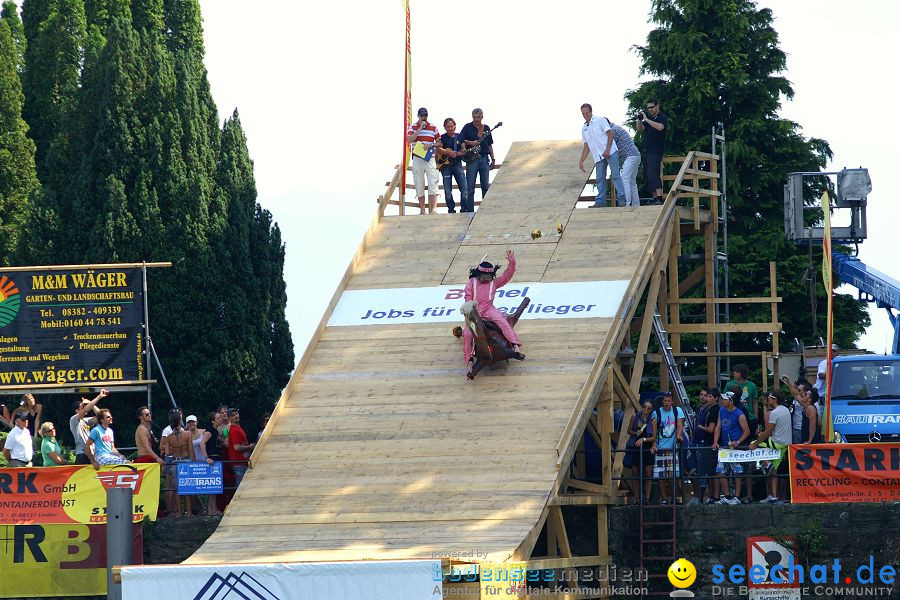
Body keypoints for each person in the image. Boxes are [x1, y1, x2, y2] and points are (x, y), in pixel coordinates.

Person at [461, 250, 524, 374]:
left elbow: (507, 276)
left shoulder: (494, 283)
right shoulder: (471, 283)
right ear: (479, 274)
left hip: (489, 309)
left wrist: (512, 263)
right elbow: (467, 298)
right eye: (484, 277)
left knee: (503, 322)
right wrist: (470, 310)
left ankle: (515, 344)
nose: (486, 279)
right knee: (468, 334)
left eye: (489, 277)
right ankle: (469, 361)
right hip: (474, 313)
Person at [578, 104, 624, 207]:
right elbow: (586, 146)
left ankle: (622, 200)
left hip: (611, 151)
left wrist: (607, 149)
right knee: (600, 178)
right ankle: (600, 202)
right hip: (598, 156)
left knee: (616, 175)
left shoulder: (600, 120)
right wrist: (581, 161)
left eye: (587, 113)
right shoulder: (584, 128)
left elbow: (610, 134)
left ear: (591, 112)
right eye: (583, 113)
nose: (585, 115)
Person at [749, 390, 791, 503]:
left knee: (754, 445)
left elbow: (768, 432)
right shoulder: (786, 410)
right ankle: (773, 496)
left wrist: (755, 443)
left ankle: (766, 463)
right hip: (786, 444)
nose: (768, 400)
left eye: (770, 398)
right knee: (773, 471)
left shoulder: (774, 413)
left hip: (776, 443)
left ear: (774, 399)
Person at [712, 391, 750, 504]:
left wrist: (738, 442)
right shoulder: (722, 410)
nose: (722, 401)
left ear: (731, 401)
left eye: (725, 399)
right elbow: (718, 427)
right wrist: (715, 441)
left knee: (737, 470)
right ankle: (727, 495)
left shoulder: (739, 414)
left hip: (734, 447)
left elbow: (746, 431)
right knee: (720, 470)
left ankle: (737, 497)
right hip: (724, 445)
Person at [406, 107, 442, 215]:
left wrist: (431, 144)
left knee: (433, 181)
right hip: (417, 157)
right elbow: (409, 140)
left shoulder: (433, 127)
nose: (424, 117)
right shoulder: (412, 127)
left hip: (430, 157)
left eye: (425, 115)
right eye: (422, 115)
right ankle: (422, 209)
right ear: (418, 116)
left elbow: (440, 142)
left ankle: (434, 209)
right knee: (419, 182)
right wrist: (420, 129)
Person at [650, 393, 684, 503]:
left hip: (672, 447)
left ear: (672, 402)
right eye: (665, 401)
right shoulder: (656, 413)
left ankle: (675, 497)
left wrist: (679, 435)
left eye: (669, 401)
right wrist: (654, 444)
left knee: (673, 474)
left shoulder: (677, 410)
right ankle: (664, 498)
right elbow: (654, 431)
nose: (667, 403)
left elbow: (680, 424)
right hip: (660, 446)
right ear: (662, 401)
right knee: (661, 475)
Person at [690, 387, 720, 505]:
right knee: (695, 469)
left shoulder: (712, 409)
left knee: (708, 471)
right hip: (696, 441)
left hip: (706, 442)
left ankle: (709, 496)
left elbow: (713, 428)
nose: (704, 397)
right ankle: (700, 497)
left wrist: (702, 428)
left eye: (707, 395)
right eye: (702, 395)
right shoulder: (699, 408)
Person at [162, 412, 195, 517]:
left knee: (177, 488)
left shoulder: (169, 437)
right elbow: (191, 451)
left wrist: (174, 449)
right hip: (186, 461)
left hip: (175, 463)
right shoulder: (187, 434)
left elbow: (167, 453)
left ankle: (179, 513)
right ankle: (189, 512)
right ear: (180, 421)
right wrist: (193, 464)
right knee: (187, 487)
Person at [635, 98, 668, 205]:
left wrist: (647, 119)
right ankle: (655, 198)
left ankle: (659, 197)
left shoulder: (661, 118)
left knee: (653, 173)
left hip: (656, 150)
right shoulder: (650, 119)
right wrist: (639, 120)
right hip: (648, 151)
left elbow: (660, 127)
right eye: (648, 108)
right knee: (647, 175)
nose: (650, 110)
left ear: (658, 106)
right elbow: (639, 129)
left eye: (652, 107)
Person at [461, 108, 496, 204]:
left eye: (478, 117)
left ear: (482, 117)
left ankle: (485, 210)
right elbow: (460, 139)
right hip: (472, 160)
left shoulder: (487, 128)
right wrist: (471, 143)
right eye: (474, 117)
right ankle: (470, 212)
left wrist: (493, 159)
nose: (476, 119)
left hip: (484, 159)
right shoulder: (467, 127)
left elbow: (489, 145)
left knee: (485, 187)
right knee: (470, 188)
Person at [437, 118, 469, 213]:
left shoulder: (460, 136)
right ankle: (451, 209)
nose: (450, 128)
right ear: (445, 128)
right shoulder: (442, 137)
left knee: (464, 189)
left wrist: (461, 153)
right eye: (448, 127)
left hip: (457, 165)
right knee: (447, 191)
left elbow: (463, 149)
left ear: (454, 126)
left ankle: (464, 209)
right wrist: (448, 152)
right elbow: (437, 149)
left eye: (451, 126)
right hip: (445, 166)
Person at [626, 401, 656, 504]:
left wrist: (644, 439)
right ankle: (637, 498)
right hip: (636, 445)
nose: (646, 409)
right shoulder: (635, 417)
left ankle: (647, 498)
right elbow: (629, 431)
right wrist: (636, 433)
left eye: (648, 408)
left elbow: (654, 436)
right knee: (635, 472)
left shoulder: (652, 420)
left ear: (651, 410)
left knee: (648, 472)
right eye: (644, 407)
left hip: (646, 445)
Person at [69, 389, 109, 465]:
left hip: (92, 454)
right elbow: (86, 409)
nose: (85, 407)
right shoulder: (74, 419)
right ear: (77, 410)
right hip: (82, 455)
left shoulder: (86, 420)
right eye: (82, 407)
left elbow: (102, 417)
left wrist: (92, 404)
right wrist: (99, 397)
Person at [609, 120, 641, 207]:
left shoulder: (613, 130)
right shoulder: (616, 128)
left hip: (630, 156)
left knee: (624, 179)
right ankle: (636, 204)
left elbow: (610, 145)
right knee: (632, 181)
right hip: (635, 155)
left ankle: (627, 203)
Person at [202, 411, 225, 516]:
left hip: (217, 458)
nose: (220, 419)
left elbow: (220, 444)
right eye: (218, 418)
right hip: (212, 459)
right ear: (212, 420)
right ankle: (211, 510)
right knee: (212, 486)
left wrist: (225, 434)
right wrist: (206, 458)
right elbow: (202, 443)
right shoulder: (210, 431)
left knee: (214, 486)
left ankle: (213, 509)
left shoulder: (216, 431)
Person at [225, 408, 254, 488]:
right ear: (229, 418)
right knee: (241, 488)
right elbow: (236, 447)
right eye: (233, 415)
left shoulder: (238, 428)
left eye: (236, 413)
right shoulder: (233, 429)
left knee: (243, 486)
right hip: (238, 463)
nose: (236, 416)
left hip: (242, 462)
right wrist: (249, 447)